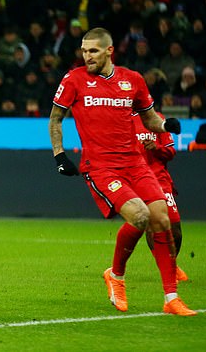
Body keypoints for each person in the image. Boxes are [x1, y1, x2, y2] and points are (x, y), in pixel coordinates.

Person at [48, 27, 196, 316]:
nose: (86, 56)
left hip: (135, 163)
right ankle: (115, 276)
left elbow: (150, 118)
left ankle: (171, 299)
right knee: (139, 216)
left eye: (92, 50)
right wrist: (59, 155)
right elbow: (55, 119)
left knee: (161, 219)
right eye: (84, 50)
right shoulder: (74, 79)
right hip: (101, 166)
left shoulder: (133, 80)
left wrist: (166, 127)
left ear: (108, 51)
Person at [132, 112, 188, 281]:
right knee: (151, 227)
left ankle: (172, 263)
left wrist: (157, 148)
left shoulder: (158, 119)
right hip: (138, 180)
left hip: (161, 181)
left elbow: (170, 152)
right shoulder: (126, 120)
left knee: (175, 230)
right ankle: (167, 267)